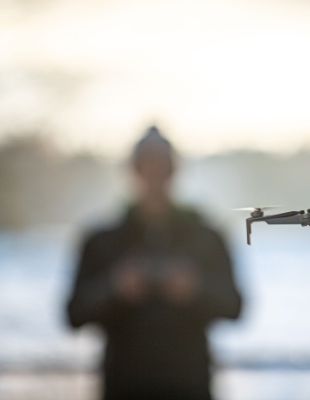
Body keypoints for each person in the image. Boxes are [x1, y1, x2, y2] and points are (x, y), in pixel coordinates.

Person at [66, 126, 243, 400]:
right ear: (134, 171)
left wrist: (194, 289)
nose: (155, 176)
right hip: (123, 387)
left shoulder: (205, 237)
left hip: (190, 387)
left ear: (175, 171)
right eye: (147, 167)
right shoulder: (104, 240)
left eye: (163, 168)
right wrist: (115, 289)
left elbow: (235, 307)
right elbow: (73, 314)